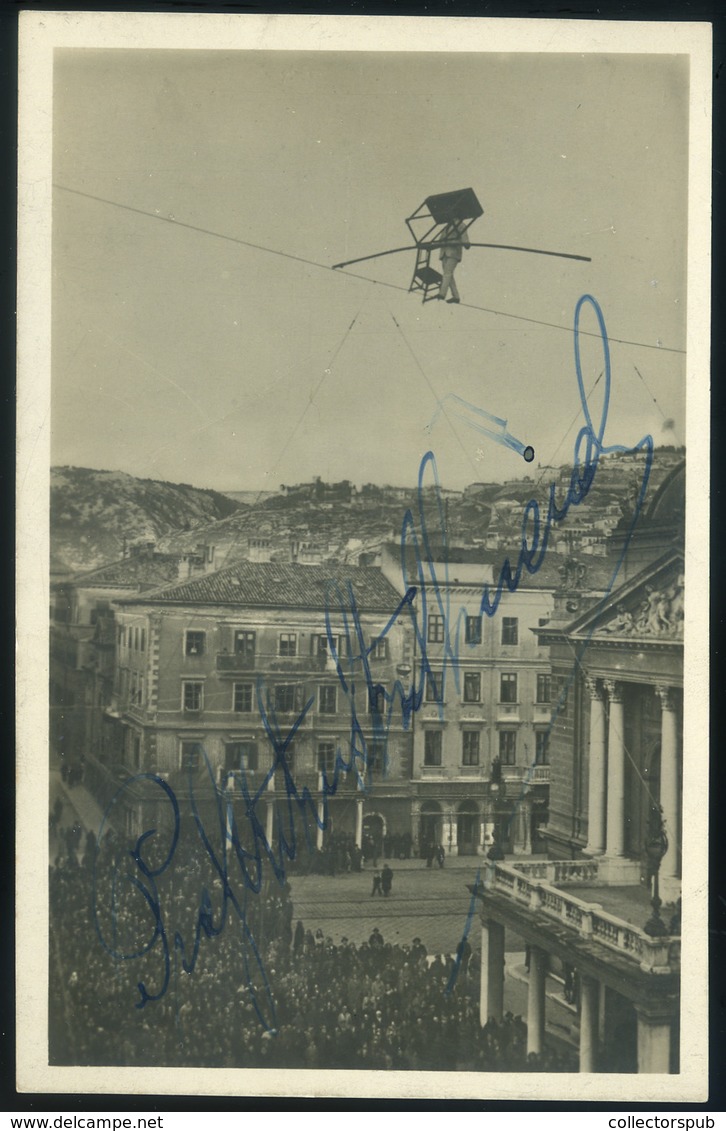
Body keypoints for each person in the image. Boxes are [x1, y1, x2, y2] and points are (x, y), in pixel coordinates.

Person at [437, 220, 470, 304]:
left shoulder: (460, 225)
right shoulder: (446, 227)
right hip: (444, 252)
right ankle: (456, 296)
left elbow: (464, 236)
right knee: (448, 275)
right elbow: (440, 239)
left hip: (453, 253)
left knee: (447, 273)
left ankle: (442, 293)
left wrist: (466, 243)